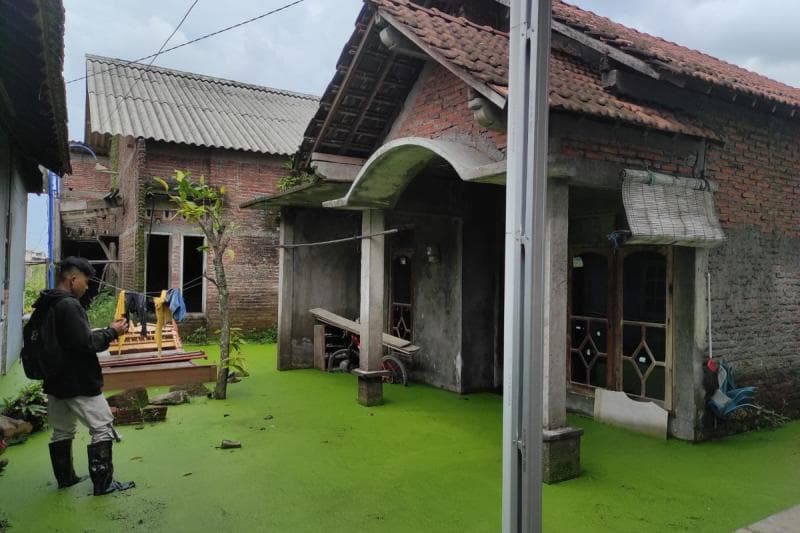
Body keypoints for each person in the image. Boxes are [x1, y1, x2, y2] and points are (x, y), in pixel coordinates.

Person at [34, 257, 135, 495]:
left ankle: (66, 478)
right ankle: (104, 483)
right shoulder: (68, 305)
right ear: (73, 279)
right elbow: (86, 343)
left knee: (62, 430)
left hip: (55, 380)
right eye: (86, 282)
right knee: (102, 426)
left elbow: (67, 338)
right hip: (78, 380)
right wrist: (113, 331)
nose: (87, 287)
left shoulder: (46, 301)